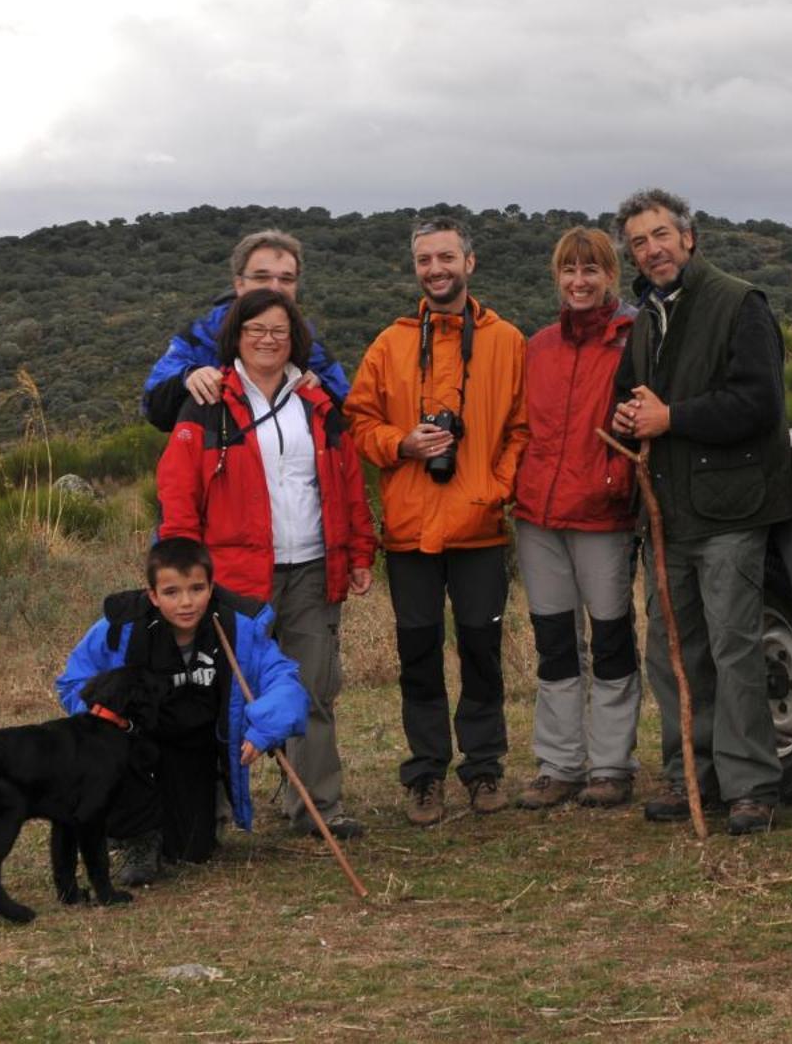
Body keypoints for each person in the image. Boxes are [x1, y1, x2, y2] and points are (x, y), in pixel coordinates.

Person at [155, 288, 377, 839]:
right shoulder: (205, 404)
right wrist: (183, 573)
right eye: (255, 330)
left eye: (279, 331)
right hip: (233, 578)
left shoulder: (317, 403)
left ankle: (318, 808)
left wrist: (358, 552)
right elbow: (179, 491)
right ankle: (210, 814)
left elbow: (348, 485)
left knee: (312, 689)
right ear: (236, 337)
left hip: (310, 568)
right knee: (218, 693)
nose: (268, 341)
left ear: (295, 340)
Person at [609, 188, 792, 836]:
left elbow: (760, 403)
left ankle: (750, 788)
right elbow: (626, 401)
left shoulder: (740, 304)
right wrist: (628, 418)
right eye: (639, 241)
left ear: (689, 238)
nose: (653, 249)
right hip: (668, 513)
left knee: (734, 647)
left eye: (662, 235)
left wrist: (672, 417)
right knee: (672, 652)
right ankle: (694, 770)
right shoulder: (643, 320)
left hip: (730, 510)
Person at [346, 216, 529, 825]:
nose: (436, 269)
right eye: (425, 260)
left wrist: (493, 489)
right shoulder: (389, 344)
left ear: (469, 263)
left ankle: (483, 768)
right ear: (416, 268)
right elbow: (359, 424)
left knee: (481, 651)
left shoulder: (507, 342)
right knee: (417, 655)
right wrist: (402, 444)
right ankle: (424, 774)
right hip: (409, 531)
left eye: (446, 257)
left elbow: (523, 431)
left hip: (478, 526)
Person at [56, 537, 308, 886]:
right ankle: (132, 838)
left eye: (196, 589)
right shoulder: (120, 627)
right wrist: (106, 722)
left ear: (211, 587)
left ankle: (166, 826)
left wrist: (263, 727)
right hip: (135, 745)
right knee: (118, 755)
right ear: (153, 595)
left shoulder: (239, 626)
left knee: (191, 851)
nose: (186, 602)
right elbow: (73, 683)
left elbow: (285, 681)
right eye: (172, 592)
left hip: (195, 748)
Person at [511, 228, 641, 809]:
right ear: (556, 277)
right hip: (538, 514)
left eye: (591, 270)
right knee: (555, 642)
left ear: (610, 275)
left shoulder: (634, 339)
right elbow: (521, 427)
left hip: (603, 512)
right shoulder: (536, 346)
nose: (580, 281)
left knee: (611, 639)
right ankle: (559, 764)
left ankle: (611, 765)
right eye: (569, 271)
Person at [142, 229, 351, 432]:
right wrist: (187, 378)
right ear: (239, 283)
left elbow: (348, 410)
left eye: (286, 279)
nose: (274, 288)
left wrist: (321, 388)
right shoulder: (201, 337)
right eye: (262, 277)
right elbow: (155, 410)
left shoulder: (309, 344)